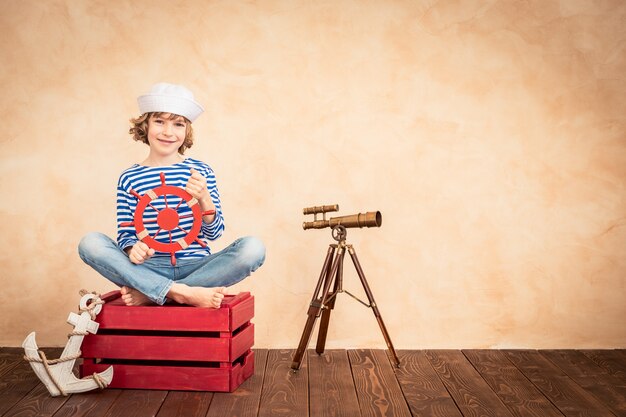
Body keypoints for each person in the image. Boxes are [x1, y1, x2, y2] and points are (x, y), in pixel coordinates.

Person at [78, 83, 265, 308]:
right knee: (90, 243)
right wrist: (132, 250)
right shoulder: (129, 177)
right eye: (159, 121)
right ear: (145, 125)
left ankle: (153, 294)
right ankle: (180, 293)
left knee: (253, 248)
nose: (168, 132)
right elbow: (127, 235)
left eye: (178, 124)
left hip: (198, 266)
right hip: (148, 268)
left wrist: (204, 197)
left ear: (186, 131)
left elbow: (214, 233)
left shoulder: (201, 171)